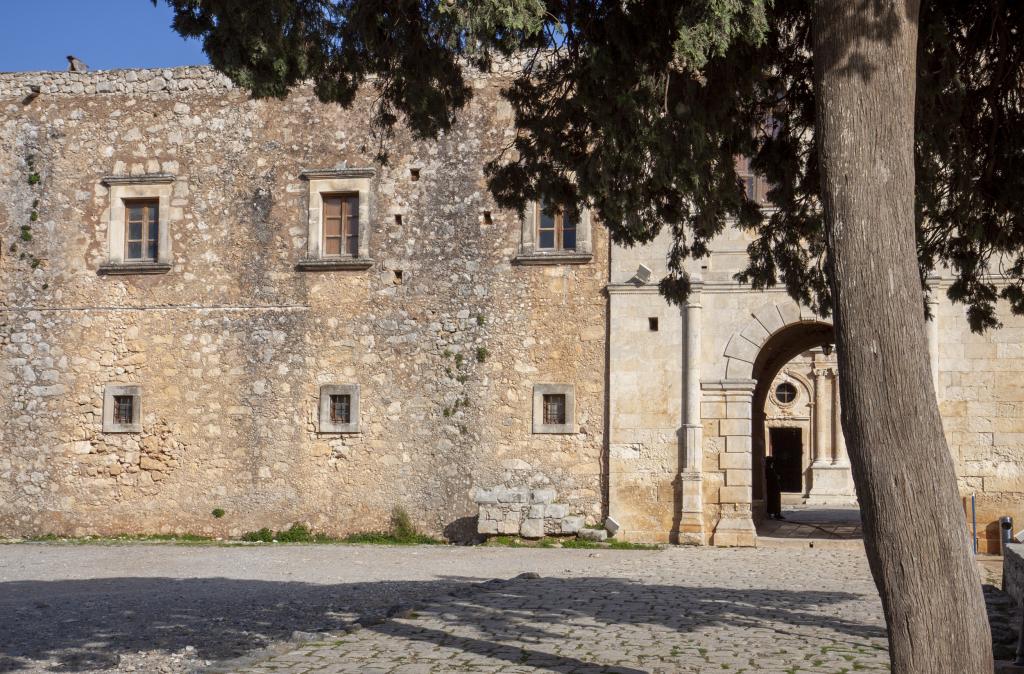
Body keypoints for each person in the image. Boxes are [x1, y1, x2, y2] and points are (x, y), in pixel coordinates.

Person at [765, 455, 784, 520]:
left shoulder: (771, 469)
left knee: (775, 501)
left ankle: (776, 513)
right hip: (772, 489)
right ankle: (775, 514)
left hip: (774, 488)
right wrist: (777, 477)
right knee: (773, 501)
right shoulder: (769, 470)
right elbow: (772, 478)